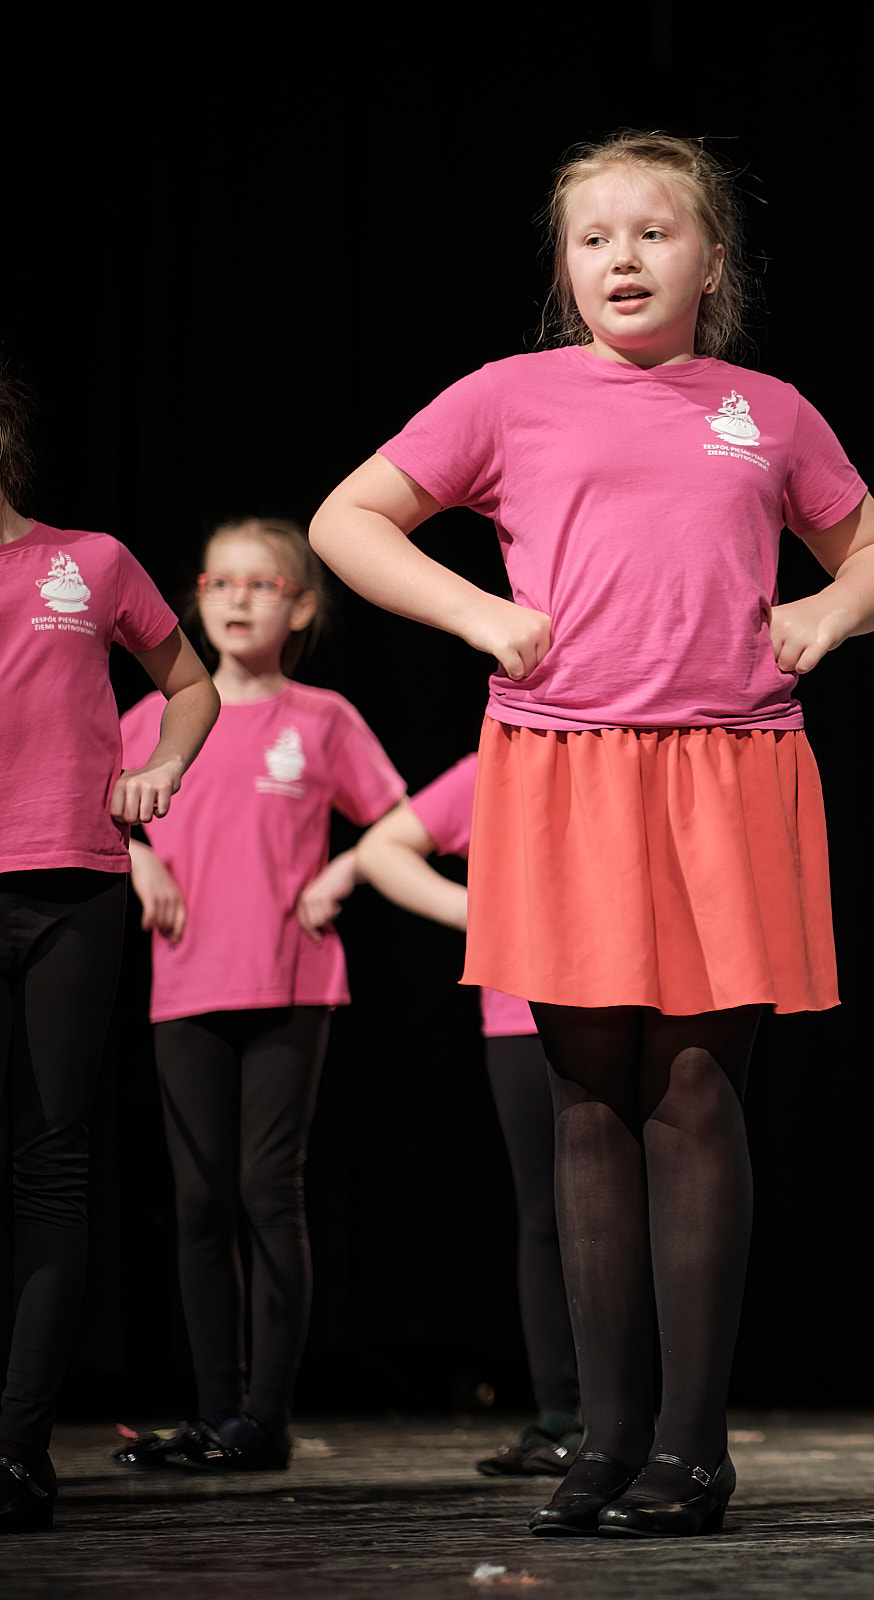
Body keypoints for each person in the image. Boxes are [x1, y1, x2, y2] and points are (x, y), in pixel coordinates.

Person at [310, 131, 874, 1539]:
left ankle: (693, 1447)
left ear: (712, 261)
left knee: (693, 1093)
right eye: (595, 238)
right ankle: (605, 1436)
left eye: (654, 233)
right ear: (566, 264)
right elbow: (350, 520)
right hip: (563, 765)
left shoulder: (767, 411)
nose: (623, 258)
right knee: (586, 1102)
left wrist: (827, 611)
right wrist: (479, 613)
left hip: (725, 765)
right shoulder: (508, 397)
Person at [114, 517, 405, 1474]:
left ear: (303, 608)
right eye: (220, 582)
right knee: (199, 1198)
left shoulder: (322, 719)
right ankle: (213, 1413)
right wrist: (140, 857)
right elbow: (95, 806)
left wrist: (344, 872)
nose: (236, 599)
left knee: (267, 1190)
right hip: (187, 980)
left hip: (290, 982)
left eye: (261, 584)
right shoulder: (153, 721)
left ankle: (265, 1417)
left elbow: (400, 820)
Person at [0, 366, 219, 1532]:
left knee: (48, 1162)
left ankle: (17, 1449)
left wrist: (163, 766)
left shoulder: (88, 561)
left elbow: (189, 686)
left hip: (70, 886)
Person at [353, 752, 583, 1478]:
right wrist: (482, 912)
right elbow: (382, 849)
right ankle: (564, 1417)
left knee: (631, 1212)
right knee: (548, 1217)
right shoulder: (499, 765)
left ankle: (639, 1417)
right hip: (522, 1014)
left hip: (628, 1005)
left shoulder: (636, 750)